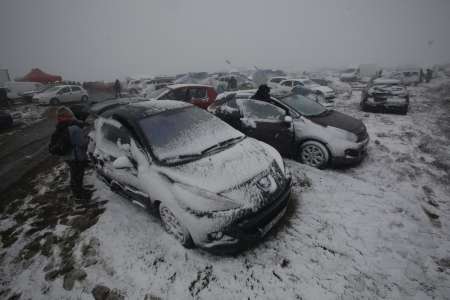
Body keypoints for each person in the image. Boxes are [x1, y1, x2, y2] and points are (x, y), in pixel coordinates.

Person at [54, 106, 90, 199]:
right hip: (76, 156)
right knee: (78, 175)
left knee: (74, 174)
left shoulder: (61, 126)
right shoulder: (74, 128)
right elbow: (82, 143)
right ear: (70, 115)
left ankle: (76, 191)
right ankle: (79, 194)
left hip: (68, 156)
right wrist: (88, 137)